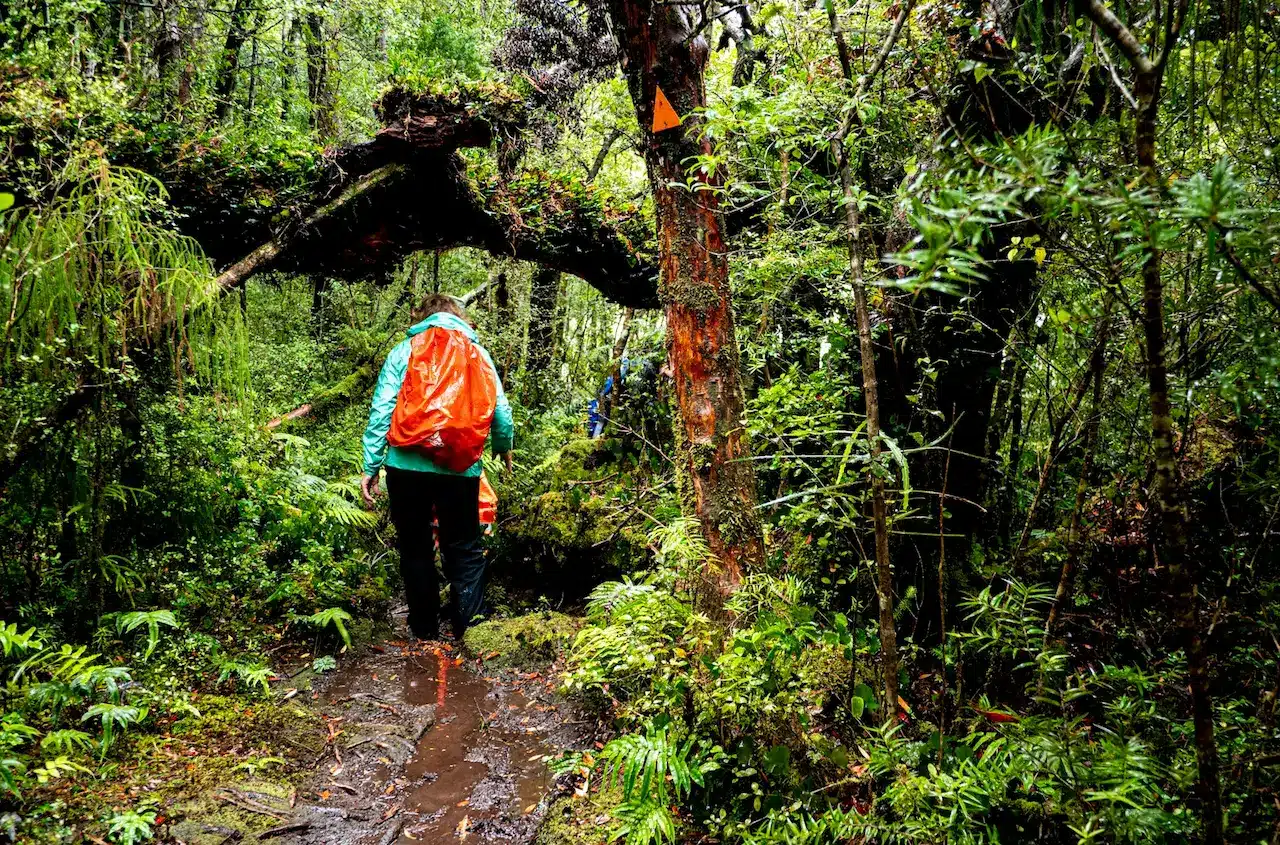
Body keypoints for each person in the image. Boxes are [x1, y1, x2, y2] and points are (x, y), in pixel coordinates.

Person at [360, 294, 514, 641]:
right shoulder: (479, 355)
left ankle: (424, 629)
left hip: (405, 467)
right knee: (464, 548)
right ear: (459, 318)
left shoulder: (405, 350)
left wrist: (371, 464)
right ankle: (469, 630)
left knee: (414, 546)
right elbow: (501, 411)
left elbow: (382, 409)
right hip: (460, 468)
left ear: (423, 317)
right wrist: (503, 448)